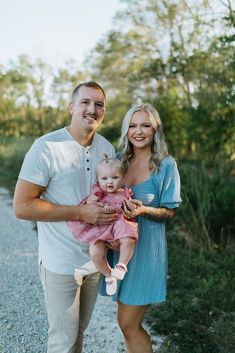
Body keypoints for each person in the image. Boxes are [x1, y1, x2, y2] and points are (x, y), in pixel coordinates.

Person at [13, 81, 116, 353]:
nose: (92, 109)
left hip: (94, 262)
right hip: (60, 263)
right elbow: (22, 206)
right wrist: (81, 212)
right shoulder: (46, 147)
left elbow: (109, 197)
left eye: (99, 104)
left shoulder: (107, 148)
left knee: (77, 337)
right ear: (71, 106)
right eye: (85, 102)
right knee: (63, 342)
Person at [101, 102, 182, 353]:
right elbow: (104, 197)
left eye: (145, 125)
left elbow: (170, 211)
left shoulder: (166, 165)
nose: (138, 131)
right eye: (133, 125)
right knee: (126, 323)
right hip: (119, 252)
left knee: (128, 323)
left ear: (155, 130)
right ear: (126, 130)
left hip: (147, 253)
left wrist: (144, 210)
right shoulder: (116, 161)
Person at [67, 155, 138, 296]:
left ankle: (122, 265)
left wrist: (130, 205)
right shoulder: (98, 192)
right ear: (98, 180)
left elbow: (129, 207)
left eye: (115, 177)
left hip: (118, 224)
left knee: (129, 239)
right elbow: (89, 205)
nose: (109, 182)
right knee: (95, 253)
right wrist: (102, 206)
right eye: (104, 179)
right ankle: (109, 275)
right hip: (100, 226)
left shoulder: (125, 193)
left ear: (122, 178)